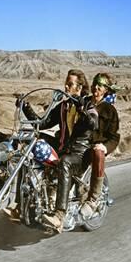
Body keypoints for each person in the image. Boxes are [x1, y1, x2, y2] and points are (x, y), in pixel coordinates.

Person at [23, 69, 99, 233]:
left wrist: (82, 110)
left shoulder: (88, 104)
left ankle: (59, 216)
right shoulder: (63, 106)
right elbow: (43, 123)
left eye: (70, 84)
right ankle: (22, 205)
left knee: (64, 162)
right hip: (63, 149)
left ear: (79, 87)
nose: (66, 86)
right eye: (66, 82)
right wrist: (25, 107)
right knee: (30, 142)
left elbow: (93, 124)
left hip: (79, 155)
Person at [79, 73, 121, 217]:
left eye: (101, 85)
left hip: (93, 147)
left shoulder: (110, 111)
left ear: (106, 90)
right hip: (78, 144)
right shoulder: (83, 102)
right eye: (95, 84)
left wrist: (104, 147)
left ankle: (93, 199)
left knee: (98, 152)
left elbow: (114, 137)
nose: (96, 87)